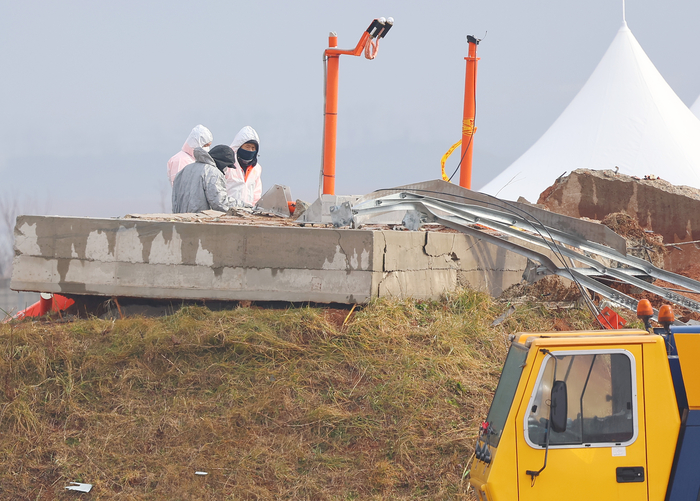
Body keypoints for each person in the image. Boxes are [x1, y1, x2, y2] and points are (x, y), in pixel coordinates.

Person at [172, 145, 247, 213]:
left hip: (180, 221)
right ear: (222, 162)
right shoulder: (213, 172)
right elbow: (220, 203)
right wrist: (243, 206)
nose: (225, 170)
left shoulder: (185, 169)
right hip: (200, 224)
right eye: (227, 166)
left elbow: (175, 200)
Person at [225, 126, 263, 205]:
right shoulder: (227, 164)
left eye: (253, 148)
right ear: (239, 146)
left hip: (247, 213)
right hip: (227, 211)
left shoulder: (256, 168)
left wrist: (254, 209)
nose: (250, 150)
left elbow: (256, 193)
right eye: (247, 147)